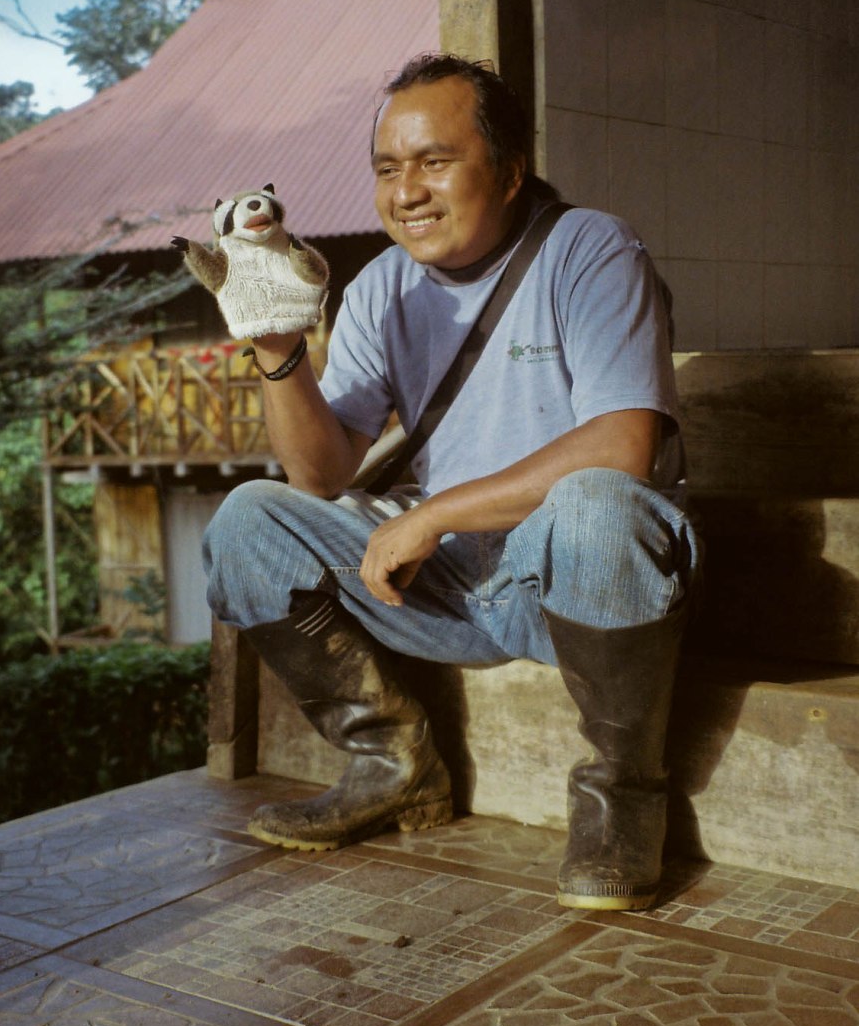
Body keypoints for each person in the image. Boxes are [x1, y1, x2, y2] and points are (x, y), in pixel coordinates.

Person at [203, 53, 699, 912]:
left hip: (575, 587)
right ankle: (392, 762)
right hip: (438, 587)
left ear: (508, 171)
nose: (408, 191)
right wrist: (280, 350)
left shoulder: (590, 248)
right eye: (388, 169)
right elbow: (317, 476)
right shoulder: (381, 287)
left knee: (597, 508)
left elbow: (624, 445)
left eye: (436, 161)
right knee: (248, 519)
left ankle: (622, 799)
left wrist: (433, 513)